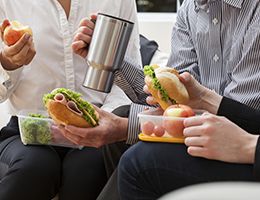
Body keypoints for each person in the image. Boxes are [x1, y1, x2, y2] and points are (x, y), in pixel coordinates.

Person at [69, 0, 260, 199]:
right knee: (122, 118)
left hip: (247, 146)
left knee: (140, 161)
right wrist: (110, 57)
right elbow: (174, 99)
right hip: (216, 130)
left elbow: (239, 121)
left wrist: (127, 127)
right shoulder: (190, 10)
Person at [0, 0, 142, 200]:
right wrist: (7, 63)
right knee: (34, 167)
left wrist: (103, 121)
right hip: (28, 131)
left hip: (99, 128)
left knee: (86, 171)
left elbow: (129, 82)